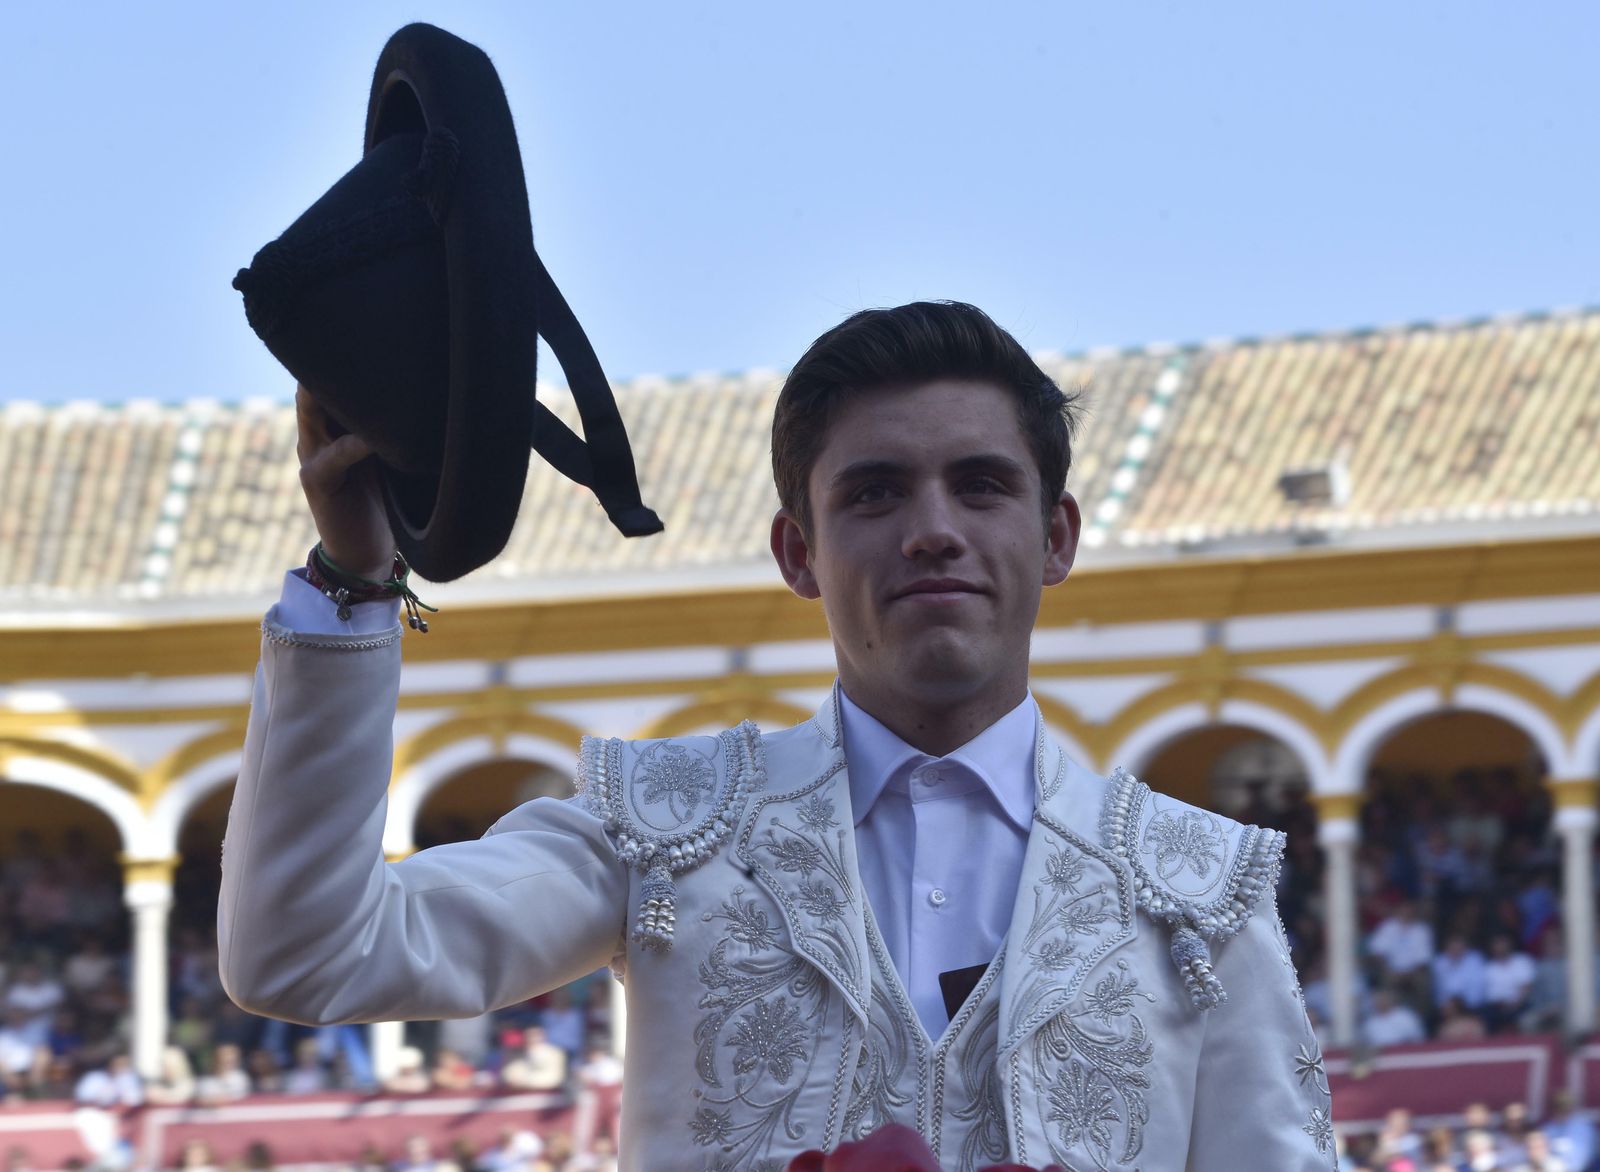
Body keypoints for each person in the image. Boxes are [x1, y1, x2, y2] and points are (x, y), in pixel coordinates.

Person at [218, 302, 1332, 1169]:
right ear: (798, 552)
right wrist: (354, 580)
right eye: (876, 494)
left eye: (980, 486)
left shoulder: (1199, 890)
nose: (933, 529)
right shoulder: (662, 827)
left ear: (1055, 537)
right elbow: (304, 952)